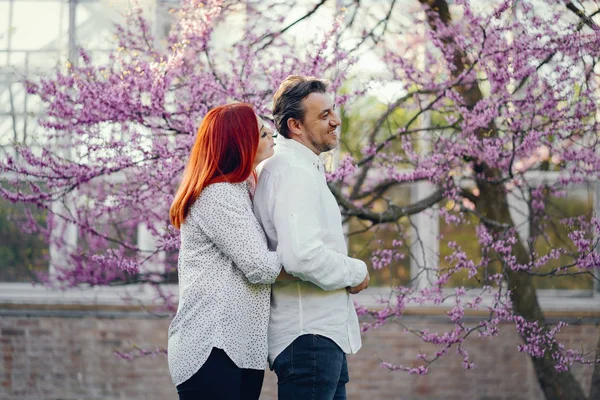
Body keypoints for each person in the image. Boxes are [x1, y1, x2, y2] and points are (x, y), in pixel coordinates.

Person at [253, 76, 370, 399]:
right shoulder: (292, 171)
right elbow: (302, 256)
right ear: (295, 125)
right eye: (323, 116)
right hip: (310, 340)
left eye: (332, 111)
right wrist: (356, 272)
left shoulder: (299, 167)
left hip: (319, 339)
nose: (336, 121)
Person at [168, 103, 281, 400]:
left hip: (241, 349)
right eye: (261, 131)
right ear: (240, 143)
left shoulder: (243, 189)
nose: (271, 134)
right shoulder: (217, 195)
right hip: (212, 347)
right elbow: (259, 266)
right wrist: (312, 260)